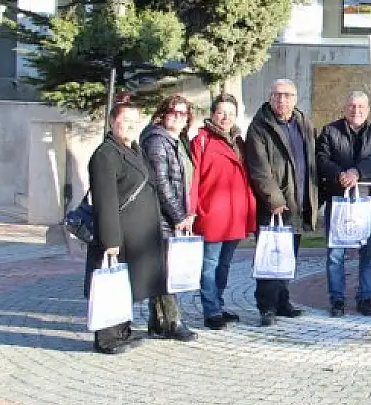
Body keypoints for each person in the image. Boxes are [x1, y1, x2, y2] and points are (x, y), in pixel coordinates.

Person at [84, 97, 165, 355]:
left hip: (138, 235)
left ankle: (122, 330)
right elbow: (105, 200)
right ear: (111, 121)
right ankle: (107, 337)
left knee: (125, 284)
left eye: (134, 120)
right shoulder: (105, 154)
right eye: (124, 120)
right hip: (118, 234)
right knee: (111, 285)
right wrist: (110, 241)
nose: (130, 125)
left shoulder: (134, 148)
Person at [245, 79, 319, 327]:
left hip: (297, 203)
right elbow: (259, 169)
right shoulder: (259, 126)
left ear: (295, 98)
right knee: (269, 256)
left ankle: (283, 301)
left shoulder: (303, 122)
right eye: (277, 95)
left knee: (289, 256)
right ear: (269, 97)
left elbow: (311, 162)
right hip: (274, 205)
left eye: (287, 95)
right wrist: (274, 199)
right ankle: (266, 306)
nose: (282, 100)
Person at [317, 91, 371, 317]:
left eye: (360, 106)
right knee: (336, 254)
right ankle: (337, 299)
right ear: (344, 108)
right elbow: (321, 158)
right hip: (338, 198)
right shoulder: (330, 131)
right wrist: (339, 174)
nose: (356, 110)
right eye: (351, 106)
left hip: (367, 199)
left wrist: (356, 172)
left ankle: (365, 297)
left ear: (368, 109)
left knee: (368, 252)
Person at [190, 93, 256, 330]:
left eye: (230, 113)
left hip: (234, 214)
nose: (226, 117)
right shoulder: (201, 140)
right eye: (221, 112)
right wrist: (192, 210)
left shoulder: (239, 141)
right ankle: (211, 311)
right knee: (209, 264)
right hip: (212, 213)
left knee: (224, 264)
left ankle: (217, 303)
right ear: (212, 114)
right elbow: (194, 178)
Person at [139, 94, 198, 342]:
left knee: (164, 270)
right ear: (163, 114)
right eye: (173, 112)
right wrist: (178, 215)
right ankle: (172, 322)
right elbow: (161, 183)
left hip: (172, 215)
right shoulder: (156, 141)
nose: (178, 117)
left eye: (183, 113)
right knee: (166, 271)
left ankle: (158, 322)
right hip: (161, 216)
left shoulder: (175, 140)